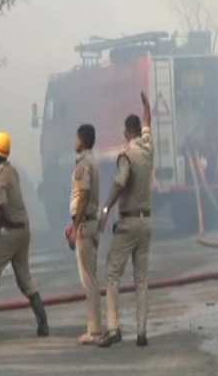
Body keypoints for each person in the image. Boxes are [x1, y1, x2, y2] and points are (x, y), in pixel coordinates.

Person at [0, 132, 49, 340]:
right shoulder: (12, 171)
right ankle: (43, 322)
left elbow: (3, 207)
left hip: (11, 232)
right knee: (24, 277)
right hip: (24, 229)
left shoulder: (0, 176)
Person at [98, 92, 155, 348]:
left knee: (113, 273)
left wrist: (105, 209)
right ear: (138, 131)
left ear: (126, 133)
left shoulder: (127, 156)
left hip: (129, 222)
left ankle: (113, 328)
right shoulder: (148, 148)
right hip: (147, 222)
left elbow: (120, 182)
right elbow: (148, 123)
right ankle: (142, 332)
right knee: (141, 279)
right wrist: (146, 107)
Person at [70, 123, 102, 345]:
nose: (75, 141)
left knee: (88, 280)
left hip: (85, 224)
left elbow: (83, 194)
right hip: (89, 223)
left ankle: (95, 329)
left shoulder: (83, 164)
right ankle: (95, 327)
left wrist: (75, 225)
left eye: (76, 138)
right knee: (91, 277)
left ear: (81, 140)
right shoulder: (92, 161)